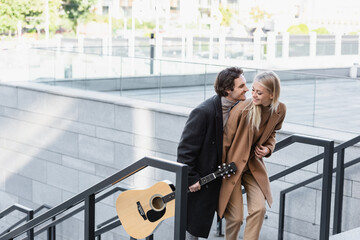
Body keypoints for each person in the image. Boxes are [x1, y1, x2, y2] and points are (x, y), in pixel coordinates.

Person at [177, 67, 249, 240]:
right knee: (193, 230)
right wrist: (191, 178)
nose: (246, 89)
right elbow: (185, 150)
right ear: (227, 90)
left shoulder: (240, 108)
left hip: (225, 175)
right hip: (203, 181)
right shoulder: (203, 112)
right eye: (242, 86)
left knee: (236, 219)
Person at [218, 71, 286, 240]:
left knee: (259, 209)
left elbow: (272, 133)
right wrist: (220, 169)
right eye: (253, 90)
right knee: (235, 218)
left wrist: (268, 149)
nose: (253, 94)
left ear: (272, 95)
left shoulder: (279, 110)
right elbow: (226, 140)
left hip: (253, 166)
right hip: (232, 167)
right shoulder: (243, 109)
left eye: (259, 92)